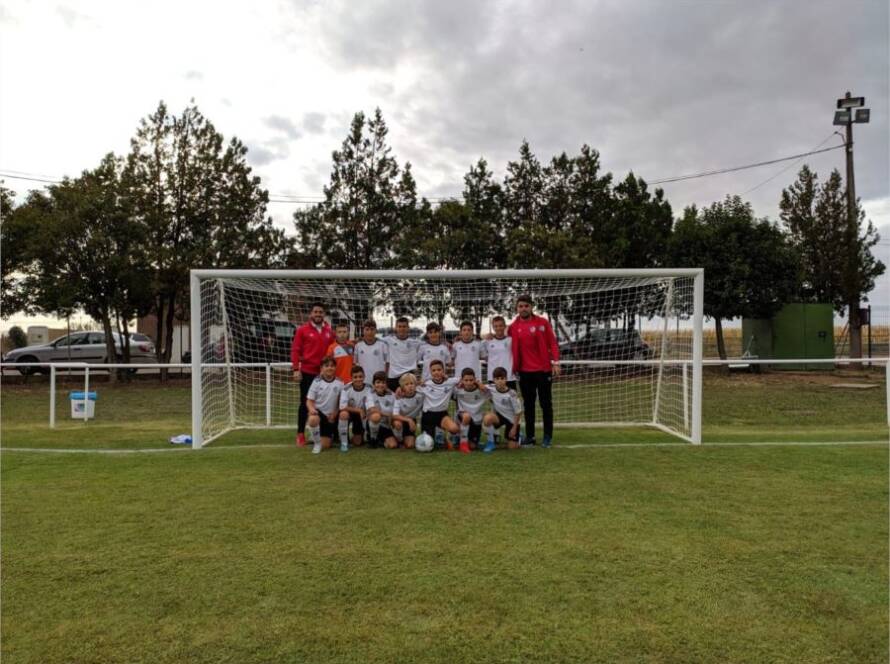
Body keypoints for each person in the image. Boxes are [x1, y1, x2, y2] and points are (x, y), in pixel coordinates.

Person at [508, 294, 560, 448]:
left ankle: (547, 437)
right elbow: (502, 338)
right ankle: (530, 436)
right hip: (524, 372)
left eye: (526, 306)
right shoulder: (513, 327)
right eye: (520, 306)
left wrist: (555, 362)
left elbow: (553, 343)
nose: (523, 309)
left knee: (546, 404)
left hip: (543, 371)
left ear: (531, 307)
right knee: (528, 406)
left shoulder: (542, 323)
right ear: (517, 308)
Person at [291, 301, 335, 447]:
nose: (318, 314)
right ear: (311, 314)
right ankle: (300, 434)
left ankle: (321, 432)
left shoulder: (329, 331)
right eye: (315, 312)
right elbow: (295, 350)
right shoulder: (302, 330)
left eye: (320, 312)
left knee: (323, 403)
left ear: (324, 314)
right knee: (305, 403)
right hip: (308, 372)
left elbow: (336, 346)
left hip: (324, 375)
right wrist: (296, 369)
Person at [416, 359, 460, 449]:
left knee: (454, 429)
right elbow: (411, 387)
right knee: (429, 443)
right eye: (434, 370)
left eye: (439, 370)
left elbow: (462, 379)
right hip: (428, 416)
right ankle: (439, 436)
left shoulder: (450, 382)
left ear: (443, 371)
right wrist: (400, 390)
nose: (436, 372)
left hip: (442, 415)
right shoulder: (426, 384)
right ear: (430, 372)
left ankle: (447, 437)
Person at [306, 356, 342, 455]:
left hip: (331, 417)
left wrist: (335, 414)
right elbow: (309, 401)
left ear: (335, 367)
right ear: (322, 368)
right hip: (319, 414)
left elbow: (340, 402)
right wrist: (312, 409)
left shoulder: (340, 383)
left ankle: (320, 435)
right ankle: (317, 443)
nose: (330, 368)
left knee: (326, 445)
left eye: (332, 366)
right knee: (313, 419)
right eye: (327, 366)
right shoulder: (316, 382)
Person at [482, 366, 523, 453]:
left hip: (512, 420)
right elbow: (480, 386)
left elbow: (518, 412)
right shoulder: (491, 387)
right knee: (487, 418)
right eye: (497, 379)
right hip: (500, 416)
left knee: (512, 447)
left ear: (506, 379)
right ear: (494, 380)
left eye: (502, 378)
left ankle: (519, 436)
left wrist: (514, 428)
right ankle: (491, 442)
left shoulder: (512, 394)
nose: (500, 381)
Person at [452, 367, 490, 454]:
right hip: (462, 417)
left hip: (476, 421)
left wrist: (480, 384)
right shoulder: (457, 390)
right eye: (466, 380)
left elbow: (492, 391)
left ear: (475, 380)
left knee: (473, 446)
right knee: (466, 416)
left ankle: (465, 439)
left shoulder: (481, 391)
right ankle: (462, 443)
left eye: (471, 380)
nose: (468, 382)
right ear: (462, 380)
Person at [338, 365, 371, 452]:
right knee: (343, 414)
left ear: (364, 376)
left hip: (361, 415)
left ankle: (357, 436)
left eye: (360, 376)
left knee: (357, 443)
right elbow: (342, 407)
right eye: (355, 377)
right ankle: (344, 442)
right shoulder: (346, 388)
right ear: (351, 378)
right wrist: (359, 410)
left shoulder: (369, 388)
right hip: (350, 412)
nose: (358, 379)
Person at [384, 316, 421, 391]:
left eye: (404, 326)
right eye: (399, 326)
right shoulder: (388, 340)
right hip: (393, 377)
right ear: (395, 328)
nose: (402, 329)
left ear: (408, 328)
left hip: (409, 376)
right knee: (394, 398)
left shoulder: (416, 343)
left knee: (409, 397)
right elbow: (373, 340)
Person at [482, 315, 516, 389]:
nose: (498, 328)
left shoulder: (511, 340)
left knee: (511, 396)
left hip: (509, 377)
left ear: (505, 326)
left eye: (500, 326)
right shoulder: (487, 341)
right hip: (493, 377)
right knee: (494, 396)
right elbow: (480, 353)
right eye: (496, 326)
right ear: (493, 327)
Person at [392, 372, 423, 449]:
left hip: (411, 422)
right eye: (406, 384)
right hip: (401, 420)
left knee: (410, 445)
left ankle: (410, 438)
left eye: (411, 383)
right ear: (402, 387)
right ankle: (399, 440)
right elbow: (395, 415)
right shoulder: (399, 397)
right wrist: (409, 420)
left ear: (415, 385)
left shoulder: (421, 395)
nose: (410, 386)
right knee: (397, 424)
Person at [367, 371, 398, 449]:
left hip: (386, 425)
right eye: (378, 382)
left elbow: (395, 412)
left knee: (393, 445)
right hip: (373, 423)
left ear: (386, 384)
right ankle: (373, 439)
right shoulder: (370, 393)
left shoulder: (392, 395)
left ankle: (380, 441)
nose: (380, 385)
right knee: (376, 416)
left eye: (383, 383)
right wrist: (387, 414)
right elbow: (372, 410)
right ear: (373, 384)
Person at [354, 320, 389, 384]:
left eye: (372, 329)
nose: (369, 332)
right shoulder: (358, 346)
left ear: (376, 330)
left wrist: (385, 377)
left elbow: (387, 363)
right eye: (367, 329)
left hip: (379, 381)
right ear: (363, 331)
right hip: (363, 381)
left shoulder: (383, 345)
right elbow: (355, 364)